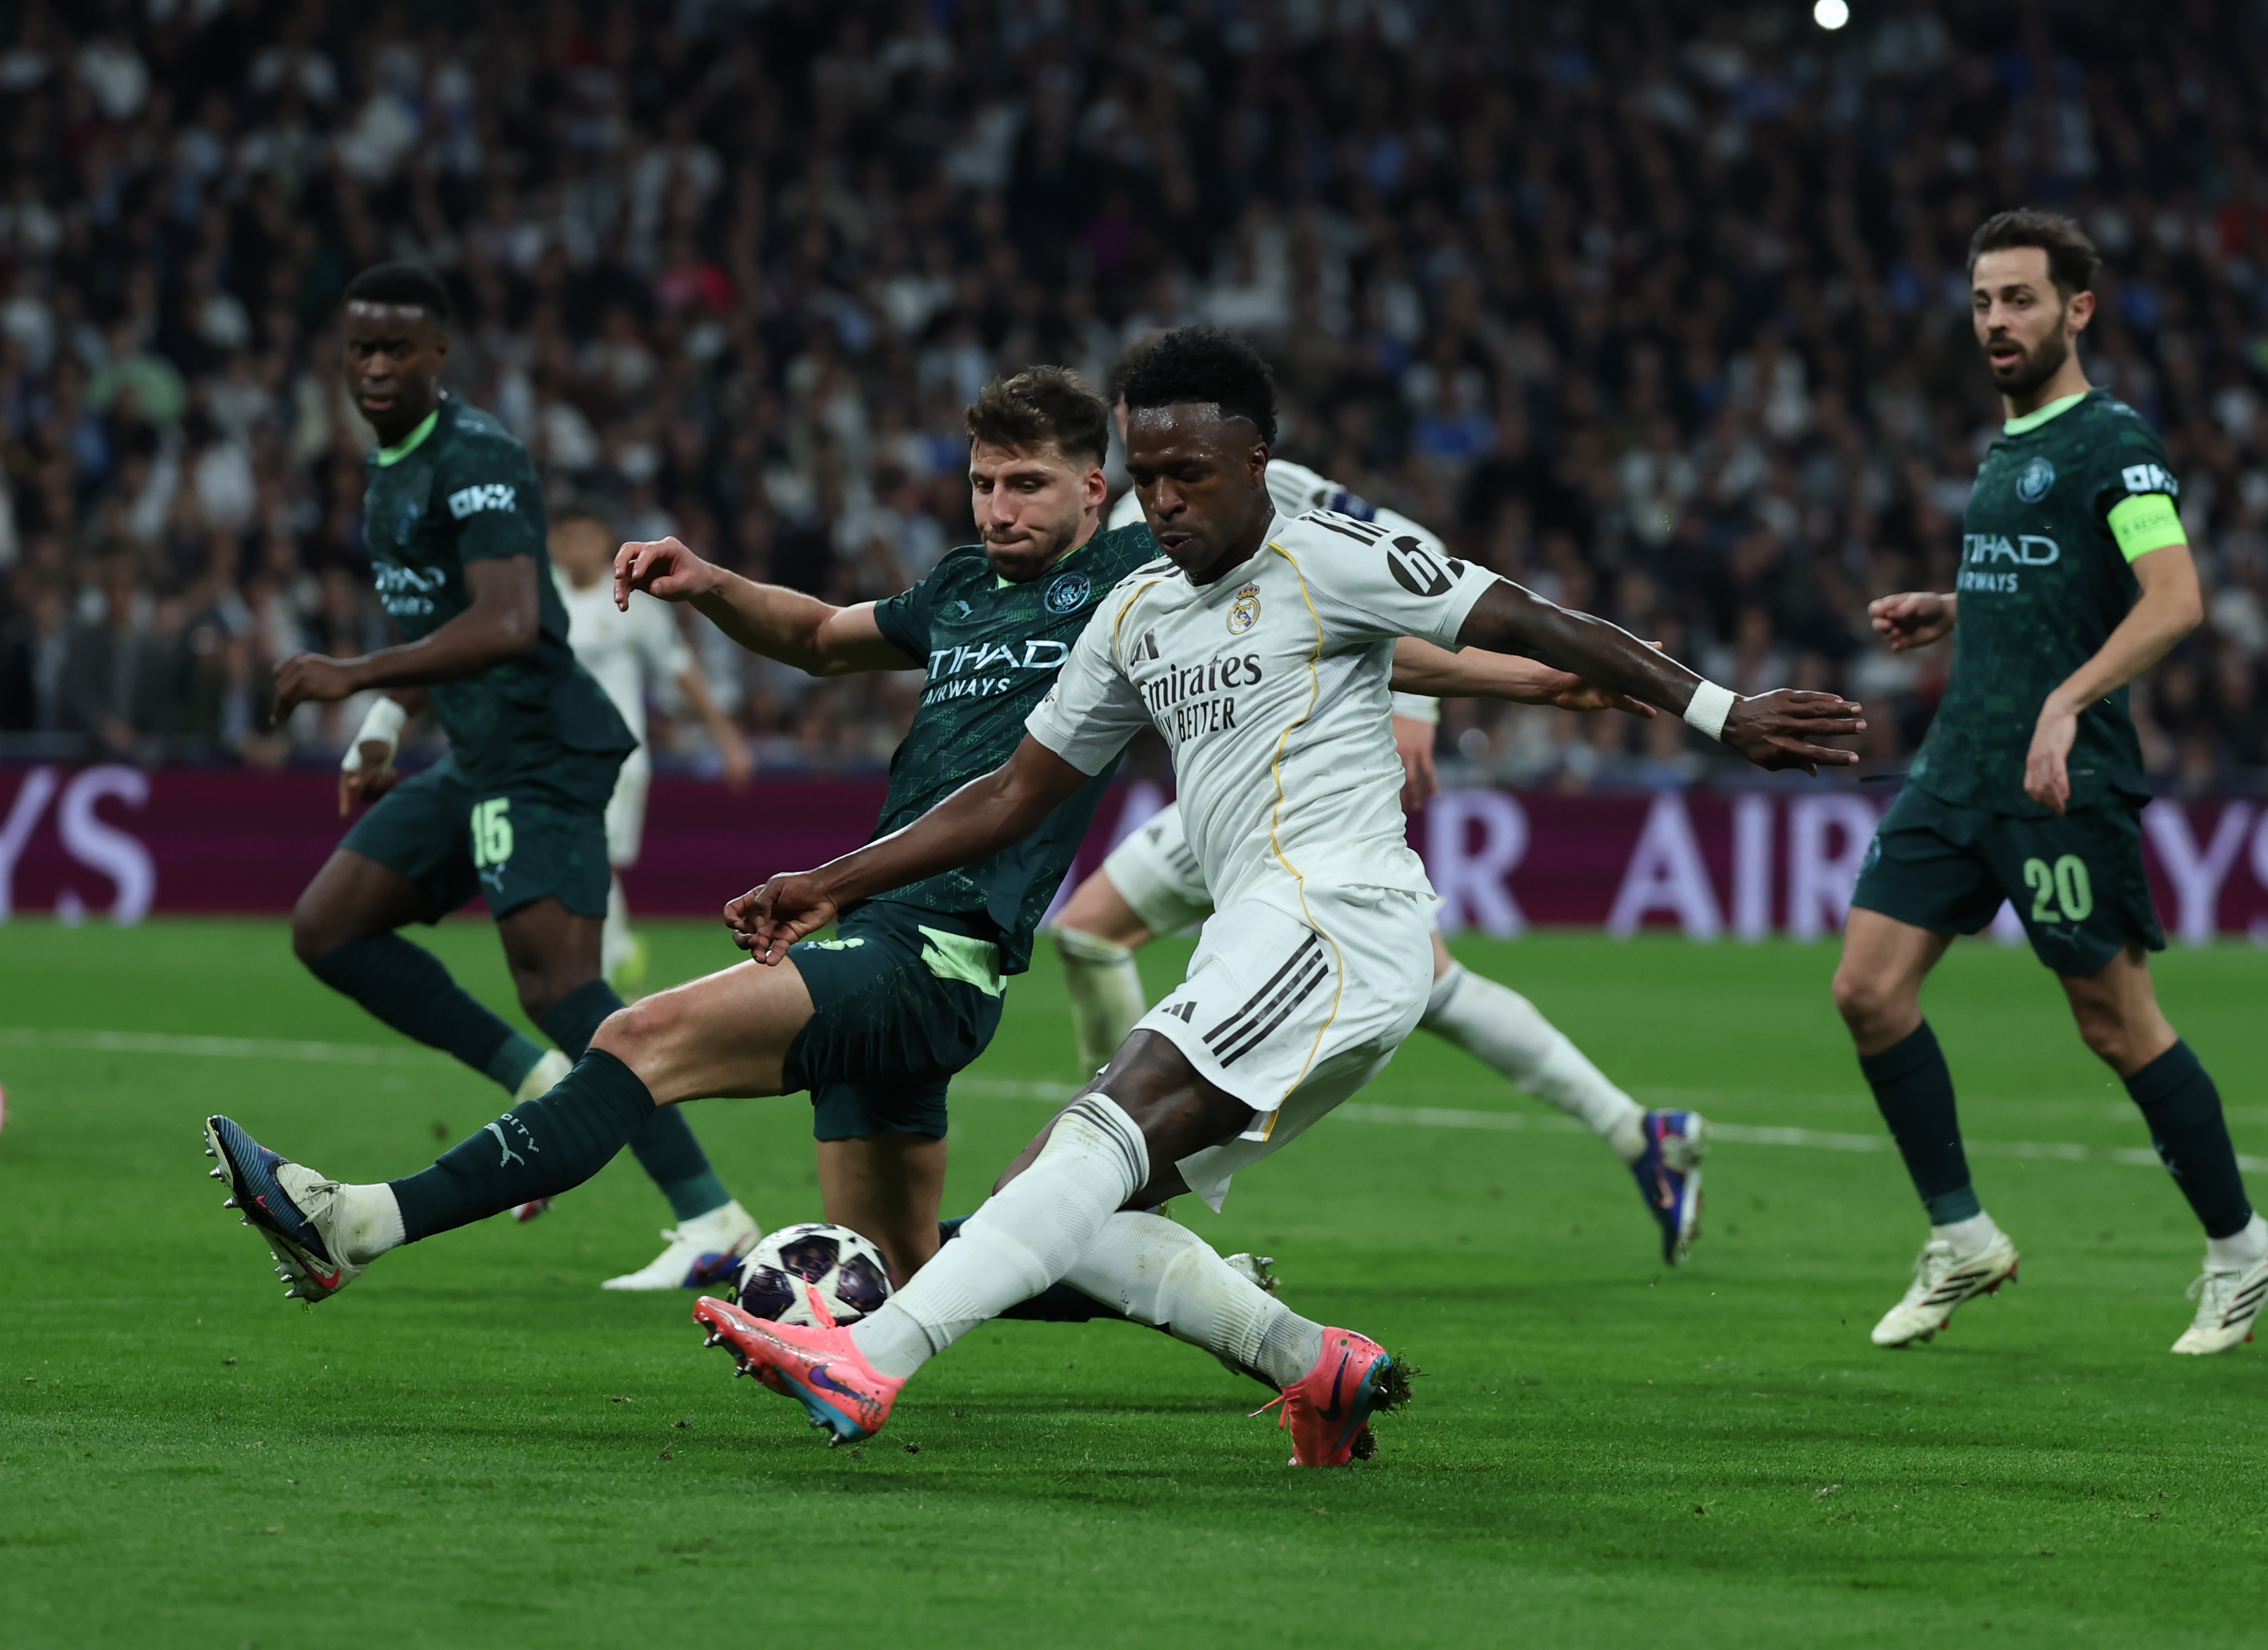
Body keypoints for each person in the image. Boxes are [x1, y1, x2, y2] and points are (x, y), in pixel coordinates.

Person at [202, 361, 1620, 1347]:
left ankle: (364, 1221)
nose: (997, 508)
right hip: (902, 950)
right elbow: (820, 635)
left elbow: (1359, 625)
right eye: (981, 482)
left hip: (927, 941)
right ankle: (1240, 1310)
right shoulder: (956, 586)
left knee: (639, 1036)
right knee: (927, 1270)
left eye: (1025, 484)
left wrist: (1530, 679)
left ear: (1092, 487)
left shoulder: (1145, 587)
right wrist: (707, 589)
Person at [680, 329, 1862, 1463]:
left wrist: (1722, 712)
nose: (1167, 501)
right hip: (1257, 936)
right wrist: (826, 881)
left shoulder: (1328, 558)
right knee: (1057, 1200)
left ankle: (866, 1358)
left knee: (1101, 1132)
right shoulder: (1133, 614)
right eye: (1147, 478)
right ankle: (1315, 1364)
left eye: (1190, 474)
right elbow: (1007, 797)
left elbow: (1535, 619)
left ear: (1258, 465)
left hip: (1338, 923)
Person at [1052, 449, 1706, 1263]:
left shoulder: (1252, 487)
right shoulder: (1108, 541)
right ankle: (1641, 1134)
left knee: (1102, 933)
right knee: (1092, 933)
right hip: (1225, 784)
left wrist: (1414, 707)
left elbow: (1404, 551)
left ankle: (1107, 1171)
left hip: (1301, 771)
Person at [1839, 210, 2268, 1356]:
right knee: (1868, 989)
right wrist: (1957, 609)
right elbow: (2050, 579)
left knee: (2115, 1023)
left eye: (2022, 300)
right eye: (1985, 300)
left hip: (2059, 784)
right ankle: (1961, 1236)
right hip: (1957, 770)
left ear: (2077, 309)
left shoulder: (2115, 445)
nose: (1998, 320)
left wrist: (2065, 699)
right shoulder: (2010, 442)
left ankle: (2243, 1249)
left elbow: (2174, 597)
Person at [262, 262, 761, 1294]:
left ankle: (712, 1214)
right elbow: (435, 630)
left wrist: (354, 677)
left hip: (541, 749)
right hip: (475, 755)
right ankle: (533, 1076)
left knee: (567, 988)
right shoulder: (388, 466)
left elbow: (502, 622)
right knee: (330, 926)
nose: (376, 366)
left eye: (398, 348)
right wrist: (386, 722)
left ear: (440, 355)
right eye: (361, 348)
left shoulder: (477, 454)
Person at [545, 505, 754, 999]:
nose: (576, 547)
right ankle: (611, 953)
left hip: (617, 756)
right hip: (551, 754)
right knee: (575, 855)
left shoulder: (631, 602)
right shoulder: (537, 593)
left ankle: (600, 960)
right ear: (552, 542)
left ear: (605, 540)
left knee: (589, 853)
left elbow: (680, 669)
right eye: (566, 536)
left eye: (586, 535)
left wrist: (727, 737)